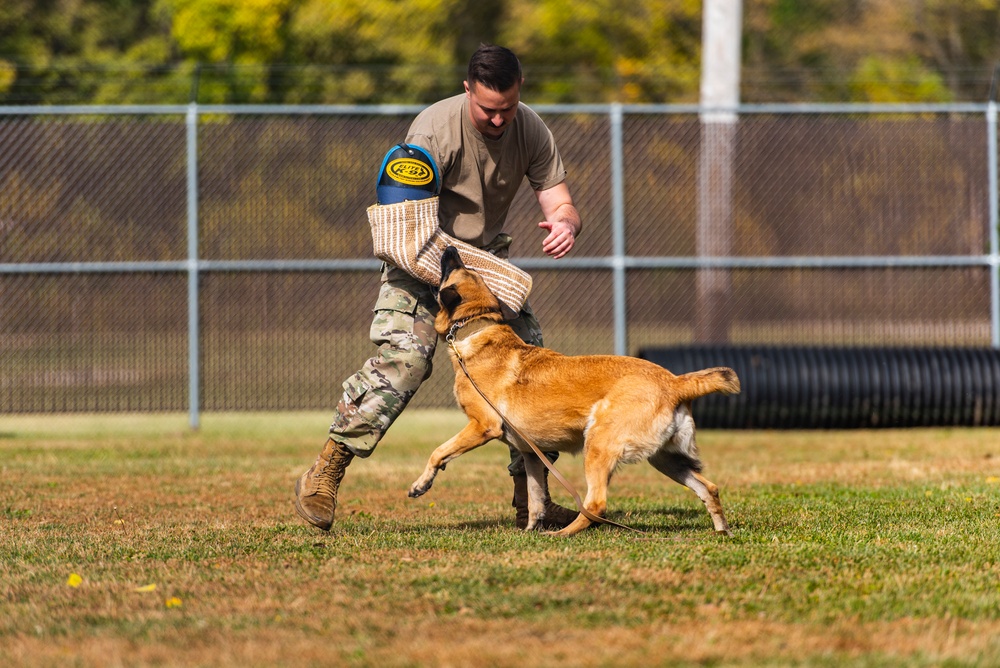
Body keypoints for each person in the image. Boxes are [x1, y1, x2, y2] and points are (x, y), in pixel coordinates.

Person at [294, 44, 583, 531]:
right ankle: (326, 469)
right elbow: (409, 227)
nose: (497, 121)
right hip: (421, 259)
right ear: (467, 88)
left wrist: (566, 224)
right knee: (406, 361)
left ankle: (534, 501)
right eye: (487, 109)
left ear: (520, 90)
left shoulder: (531, 128)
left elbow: (560, 203)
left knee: (535, 368)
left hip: (482, 272)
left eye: (506, 109)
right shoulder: (433, 131)